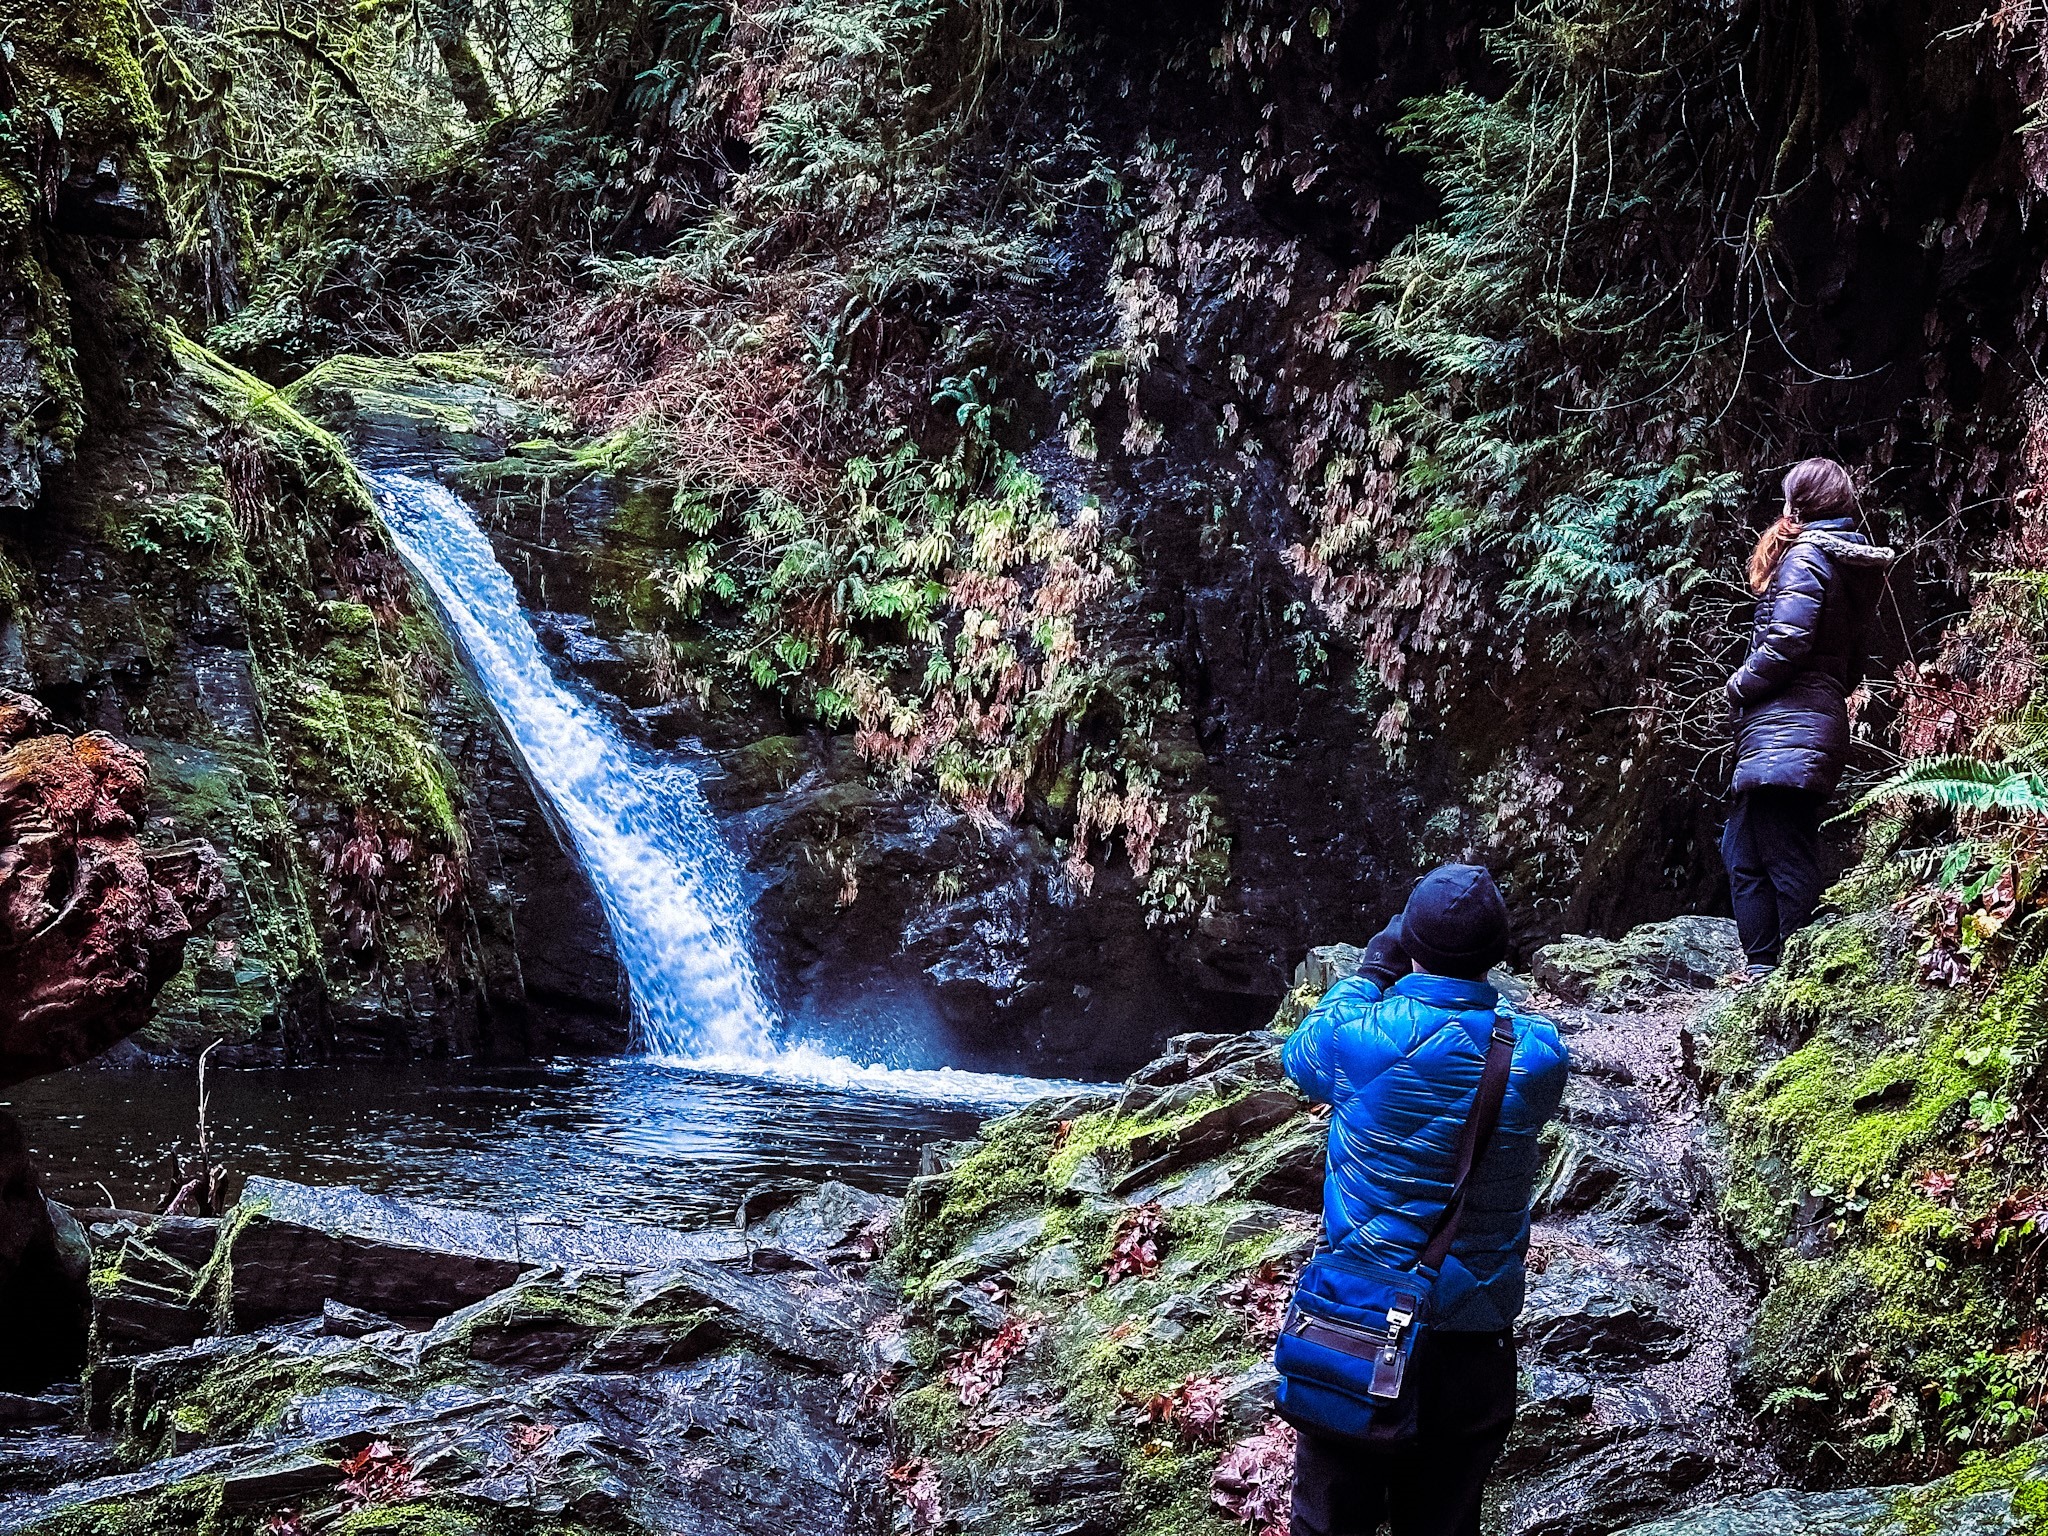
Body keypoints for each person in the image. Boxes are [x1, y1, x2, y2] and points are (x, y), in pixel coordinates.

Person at [1280, 863, 1569, 1536]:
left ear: (1410, 944)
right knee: (1443, 1522)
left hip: (1355, 1326)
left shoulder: (1354, 1037)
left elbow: (1301, 1051)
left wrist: (1375, 968)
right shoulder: (1534, 1058)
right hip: (1470, 1342)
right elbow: (1516, 1031)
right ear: (1498, 955)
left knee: (1328, 1520)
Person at [1722, 457, 1895, 978]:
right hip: (1804, 721)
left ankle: (1793, 974)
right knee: (1743, 847)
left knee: (1782, 851)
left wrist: (1739, 684)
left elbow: (1787, 641)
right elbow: (1851, 662)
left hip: (1789, 724)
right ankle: (1763, 967)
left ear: (1798, 504)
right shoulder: (1842, 563)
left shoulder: (1806, 559)